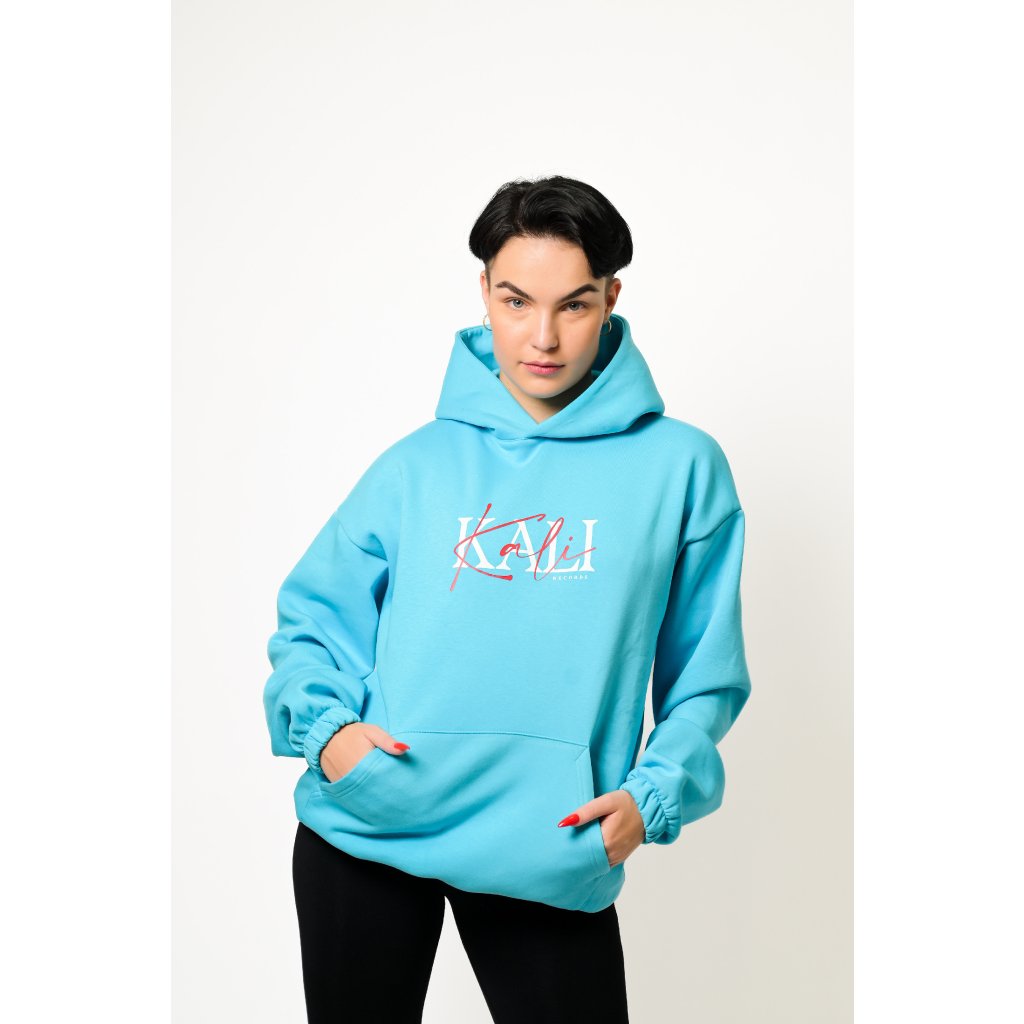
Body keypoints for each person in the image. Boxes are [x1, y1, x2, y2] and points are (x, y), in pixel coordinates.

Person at [263, 174, 752, 1023]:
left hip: (552, 843)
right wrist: (330, 736)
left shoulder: (681, 468)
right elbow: (313, 619)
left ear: (612, 300)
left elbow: (706, 675)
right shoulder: (416, 465)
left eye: (575, 304)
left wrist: (650, 799)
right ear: (485, 291)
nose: (543, 337)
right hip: (369, 826)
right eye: (517, 301)